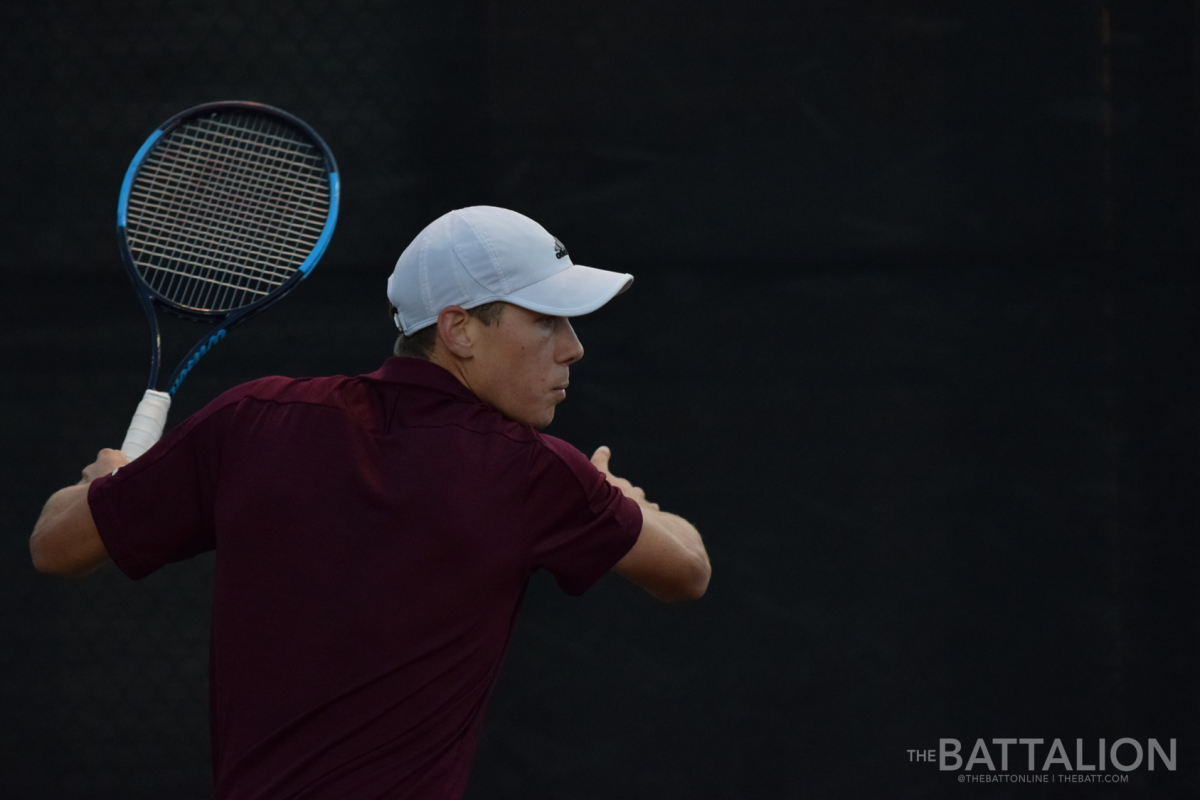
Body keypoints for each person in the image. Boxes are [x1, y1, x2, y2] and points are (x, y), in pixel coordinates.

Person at [30, 206, 710, 799]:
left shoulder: (253, 420)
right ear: (459, 330)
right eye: (545, 321)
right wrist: (631, 504)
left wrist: (105, 482)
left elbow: (56, 546)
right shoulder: (532, 473)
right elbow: (686, 570)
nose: (574, 348)